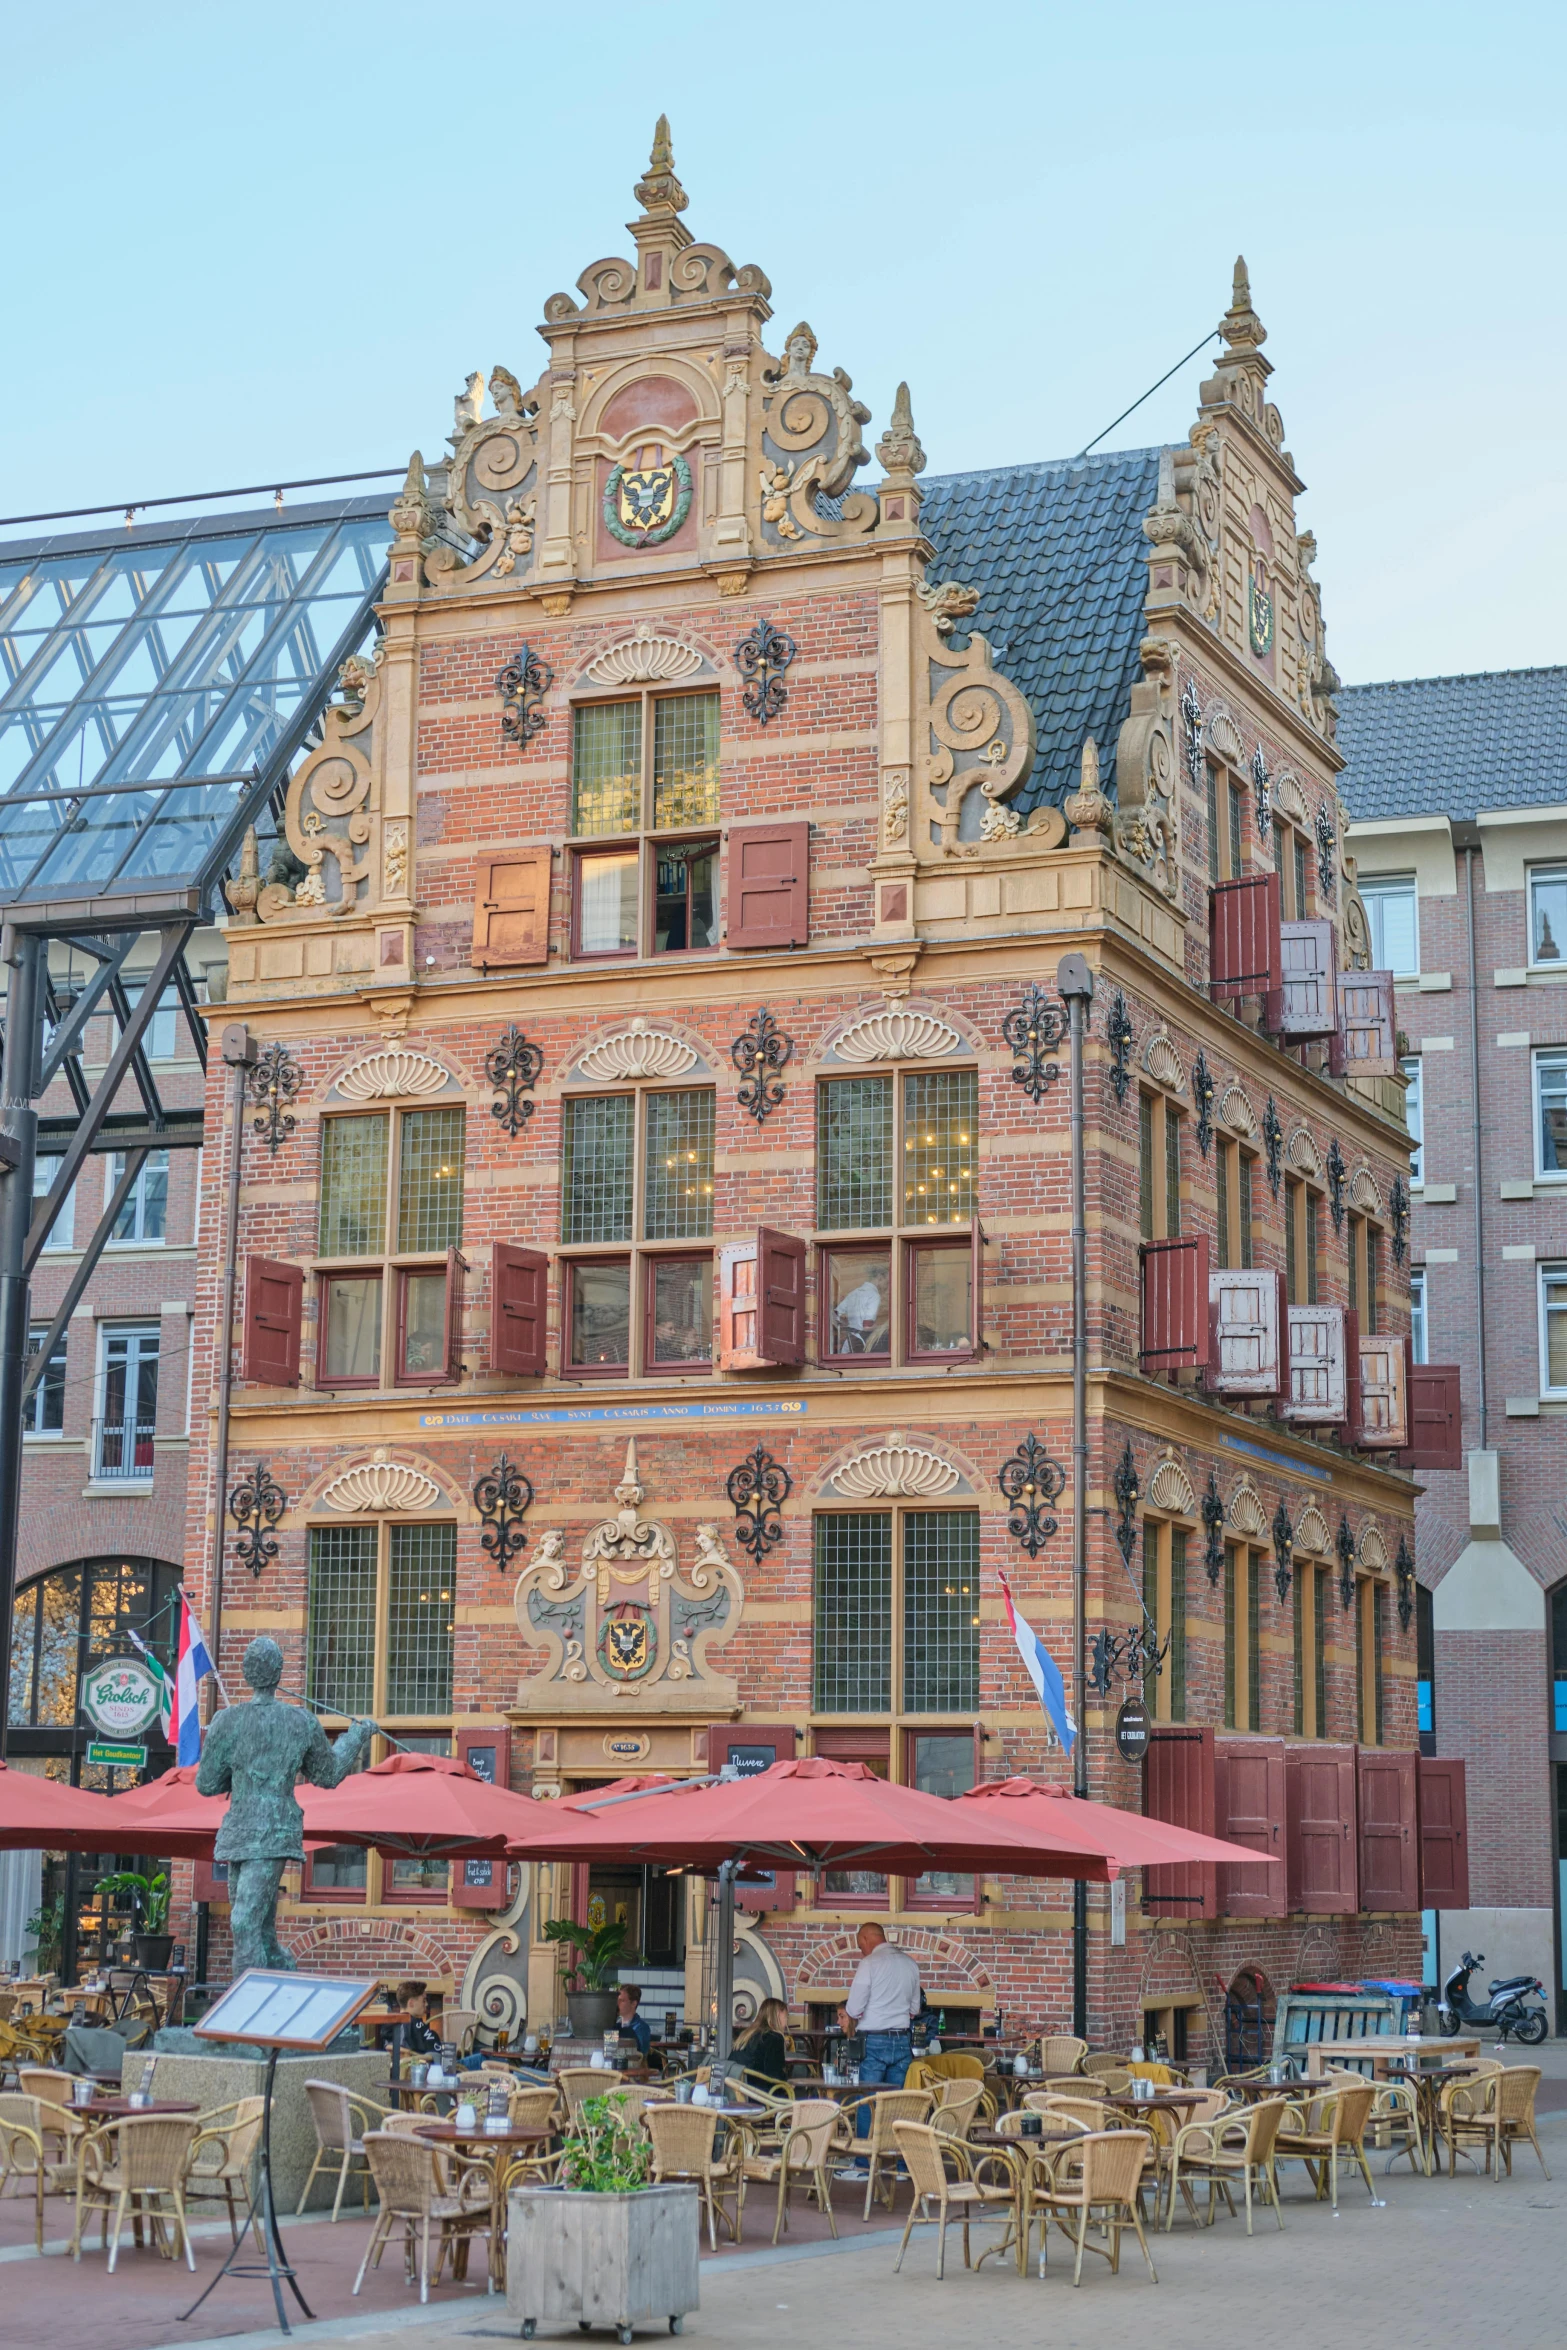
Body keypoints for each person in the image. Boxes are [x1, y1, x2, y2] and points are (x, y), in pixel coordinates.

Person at [196, 1636, 375, 1974]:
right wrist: (357, 1736)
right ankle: (281, 1976)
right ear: (278, 1674)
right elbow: (330, 1773)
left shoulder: (226, 1721)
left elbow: (207, 1784)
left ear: (247, 1674)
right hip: (266, 1833)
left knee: (244, 1922)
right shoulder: (300, 1722)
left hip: (251, 1832)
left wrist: (238, 1776)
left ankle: (249, 2016)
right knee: (258, 1929)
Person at [839, 1923, 922, 2151]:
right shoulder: (910, 1964)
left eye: (860, 1945)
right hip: (902, 2039)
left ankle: (864, 2163)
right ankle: (895, 2160)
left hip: (874, 2040)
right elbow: (915, 2009)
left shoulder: (869, 1964)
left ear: (866, 1938)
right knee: (896, 2105)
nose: (861, 1950)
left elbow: (853, 2010)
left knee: (868, 2102)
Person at [735, 1998, 791, 2089]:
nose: (786, 2022)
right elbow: (774, 2076)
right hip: (758, 2094)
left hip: (738, 2089)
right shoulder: (774, 2038)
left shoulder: (746, 2034)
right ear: (778, 2015)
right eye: (786, 2017)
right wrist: (787, 2085)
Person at [398, 1981, 442, 2058]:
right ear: (411, 2003)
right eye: (423, 2000)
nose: (426, 2004)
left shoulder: (392, 2025)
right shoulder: (416, 2025)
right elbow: (437, 2055)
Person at [615, 1984, 651, 2058]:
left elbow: (640, 2054)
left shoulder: (642, 2027)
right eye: (617, 2000)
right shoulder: (615, 2025)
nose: (617, 2004)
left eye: (621, 2000)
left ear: (633, 2004)